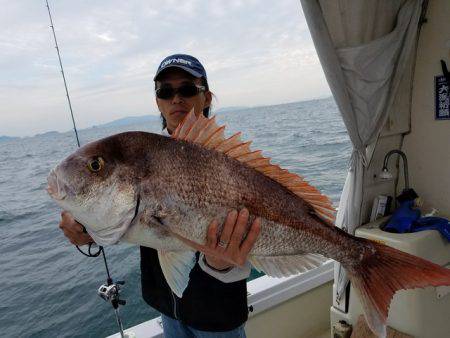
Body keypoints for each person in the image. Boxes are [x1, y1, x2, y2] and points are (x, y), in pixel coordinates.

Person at [59, 54, 261, 338]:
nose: (175, 98)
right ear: (157, 101)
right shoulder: (140, 160)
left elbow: (258, 225)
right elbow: (135, 219)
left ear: (207, 97)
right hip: (166, 308)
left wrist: (224, 262)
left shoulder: (231, 162)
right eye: (165, 91)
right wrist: (85, 226)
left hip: (218, 315)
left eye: (187, 89)